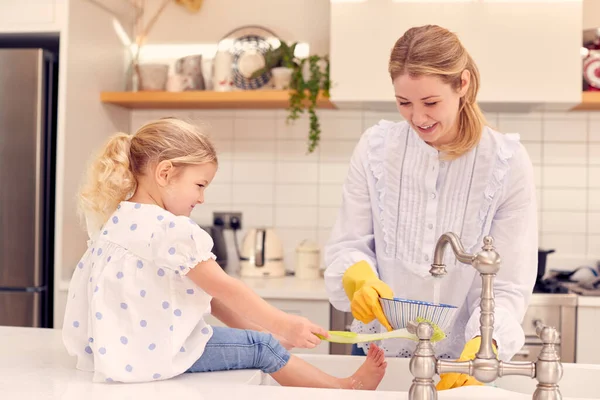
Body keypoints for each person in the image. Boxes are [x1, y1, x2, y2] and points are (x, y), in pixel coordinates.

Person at [62, 117, 387, 388]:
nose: (202, 198)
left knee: (262, 340)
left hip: (119, 352)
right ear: (164, 173)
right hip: (156, 354)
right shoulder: (169, 229)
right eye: (200, 185)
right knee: (262, 348)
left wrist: (266, 330)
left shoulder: (119, 219)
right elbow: (225, 288)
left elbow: (209, 297)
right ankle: (346, 389)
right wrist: (284, 326)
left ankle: (318, 370)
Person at [324, 25, 537, 390]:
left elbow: (508, 284)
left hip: (467, 358)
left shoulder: (506, 162)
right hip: (382, 353)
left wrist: (485, 347)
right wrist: (359, 278)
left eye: (431, 102)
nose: (418, 118)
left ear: (463, 84)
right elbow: (349, 244)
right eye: (404, 103)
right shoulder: (376, 149)